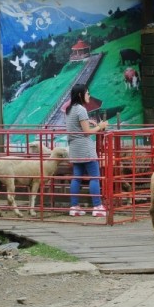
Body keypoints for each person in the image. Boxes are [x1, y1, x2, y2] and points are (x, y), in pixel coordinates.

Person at [65, 83, 108, 217]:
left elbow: (77, 126)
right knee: (94, 177)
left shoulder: (70, 109)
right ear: (80, 95)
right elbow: (87, 132)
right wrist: (100, 126)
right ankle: (97, 207)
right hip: (85, 148)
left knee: (76, 178)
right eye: (87, 93)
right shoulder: (81, 110)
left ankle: (74, 206)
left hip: (75, 148)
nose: (89, 95)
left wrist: (90, 122)